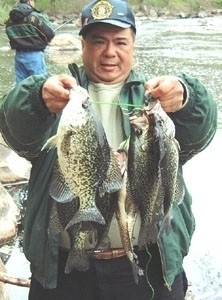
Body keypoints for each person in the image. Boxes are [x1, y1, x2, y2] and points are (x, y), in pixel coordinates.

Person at [0, 0, 218, 299]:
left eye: (120, 42)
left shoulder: (157, 98)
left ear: (134, 46)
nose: (110, 52)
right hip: (63, 269)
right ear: (82, 46)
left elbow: (200, 131)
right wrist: (35, 99)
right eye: (98, 41)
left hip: (149, 265)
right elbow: (15, 128)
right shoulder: (59, 97)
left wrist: (188, 98)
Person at [5, 0, 55, 83]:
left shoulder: (11, 18)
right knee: (39, 85)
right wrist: (45, 40)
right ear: (30, 1)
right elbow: (50, 33)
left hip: (18, 56)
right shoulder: (35, 16)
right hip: (35, 56)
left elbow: (9, 32)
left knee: (21, 87)